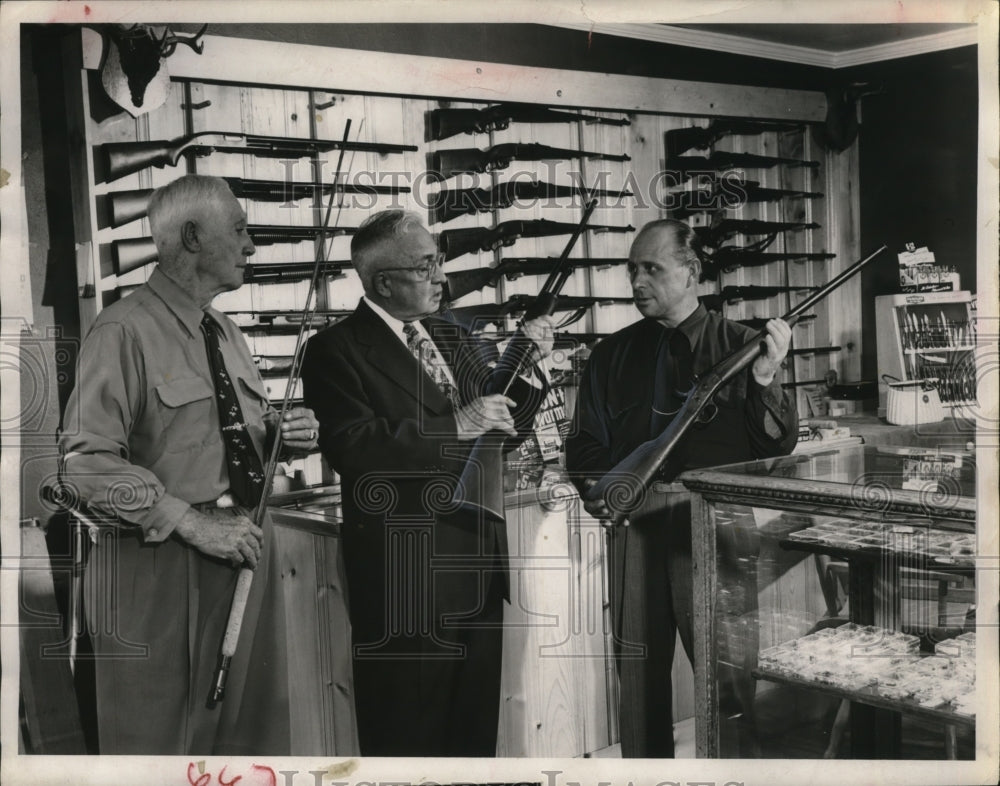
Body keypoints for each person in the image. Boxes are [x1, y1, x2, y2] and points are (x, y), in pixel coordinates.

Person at [59, 174, 320, 755]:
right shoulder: (123, 329)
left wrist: (280, 433)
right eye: (241, 230)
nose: (252, 246)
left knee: (245, 744)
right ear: (195, 237)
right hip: (160, 565)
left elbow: (217, 436)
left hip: (245, 553)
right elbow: (84, 462)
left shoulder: (224, 331)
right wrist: (191, 522)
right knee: (160, 748)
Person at [301, 210, 554, 756]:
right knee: (407, 737)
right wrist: (456, 423)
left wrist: (529, 370)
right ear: (383, 282)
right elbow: (355, 449)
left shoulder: (449, 332)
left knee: (473, 734)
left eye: (439, 262)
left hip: (477, 565)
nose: (442, 278)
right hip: (407, 580)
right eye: (425, 267)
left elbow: (497, 432)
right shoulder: (334, 350)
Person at [565, 218, 798, 757]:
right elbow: (584, 449)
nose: (638, 281)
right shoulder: (610, 355)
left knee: (731, 679)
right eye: (632, 270)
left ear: (691, 273)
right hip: (636, 524)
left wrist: (765, 381)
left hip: (714, 525)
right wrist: (603, 493)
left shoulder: (745, 347)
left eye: (652, 269)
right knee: (638, 685)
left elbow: (774, 450)